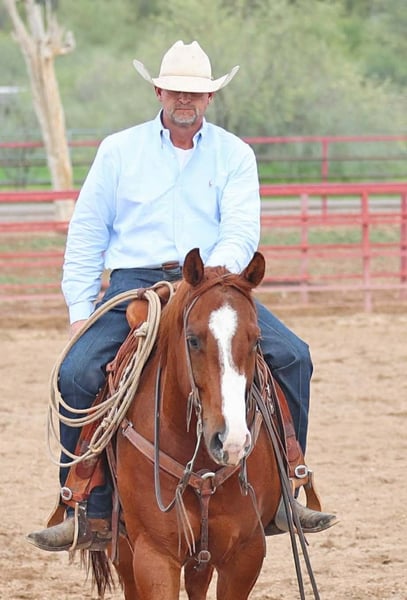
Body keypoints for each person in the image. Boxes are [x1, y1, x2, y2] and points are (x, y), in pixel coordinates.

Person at [27, 40, 336, 552]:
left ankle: (286, 484)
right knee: (78, 371)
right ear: (158, 92)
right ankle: (84, 505)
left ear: (210, 97)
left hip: (212, 280)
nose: (184, 99)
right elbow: (87, 233)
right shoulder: (118, 151)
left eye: (195, 92)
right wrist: (80, 312)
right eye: (175, 90)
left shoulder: (234, 154)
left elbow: (241, 231)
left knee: (293, 356)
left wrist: (207, 280)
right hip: (135, 283)